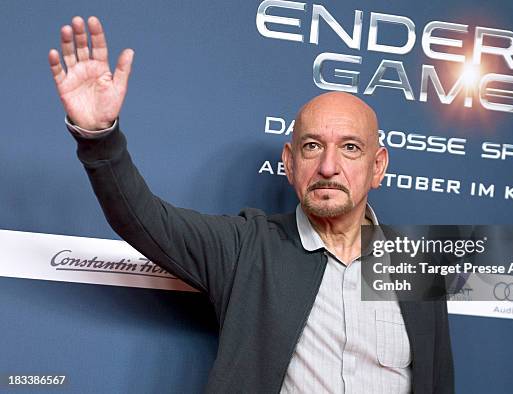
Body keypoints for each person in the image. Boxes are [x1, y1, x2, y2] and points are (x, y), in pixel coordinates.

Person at [49, 16, 454, 394]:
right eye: (312, 146)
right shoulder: (246, 247)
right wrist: (98, 137)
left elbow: (438, 380)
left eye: (350, 148)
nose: (328, 167)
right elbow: (141, 218)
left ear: (377, 166)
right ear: (290, 163)